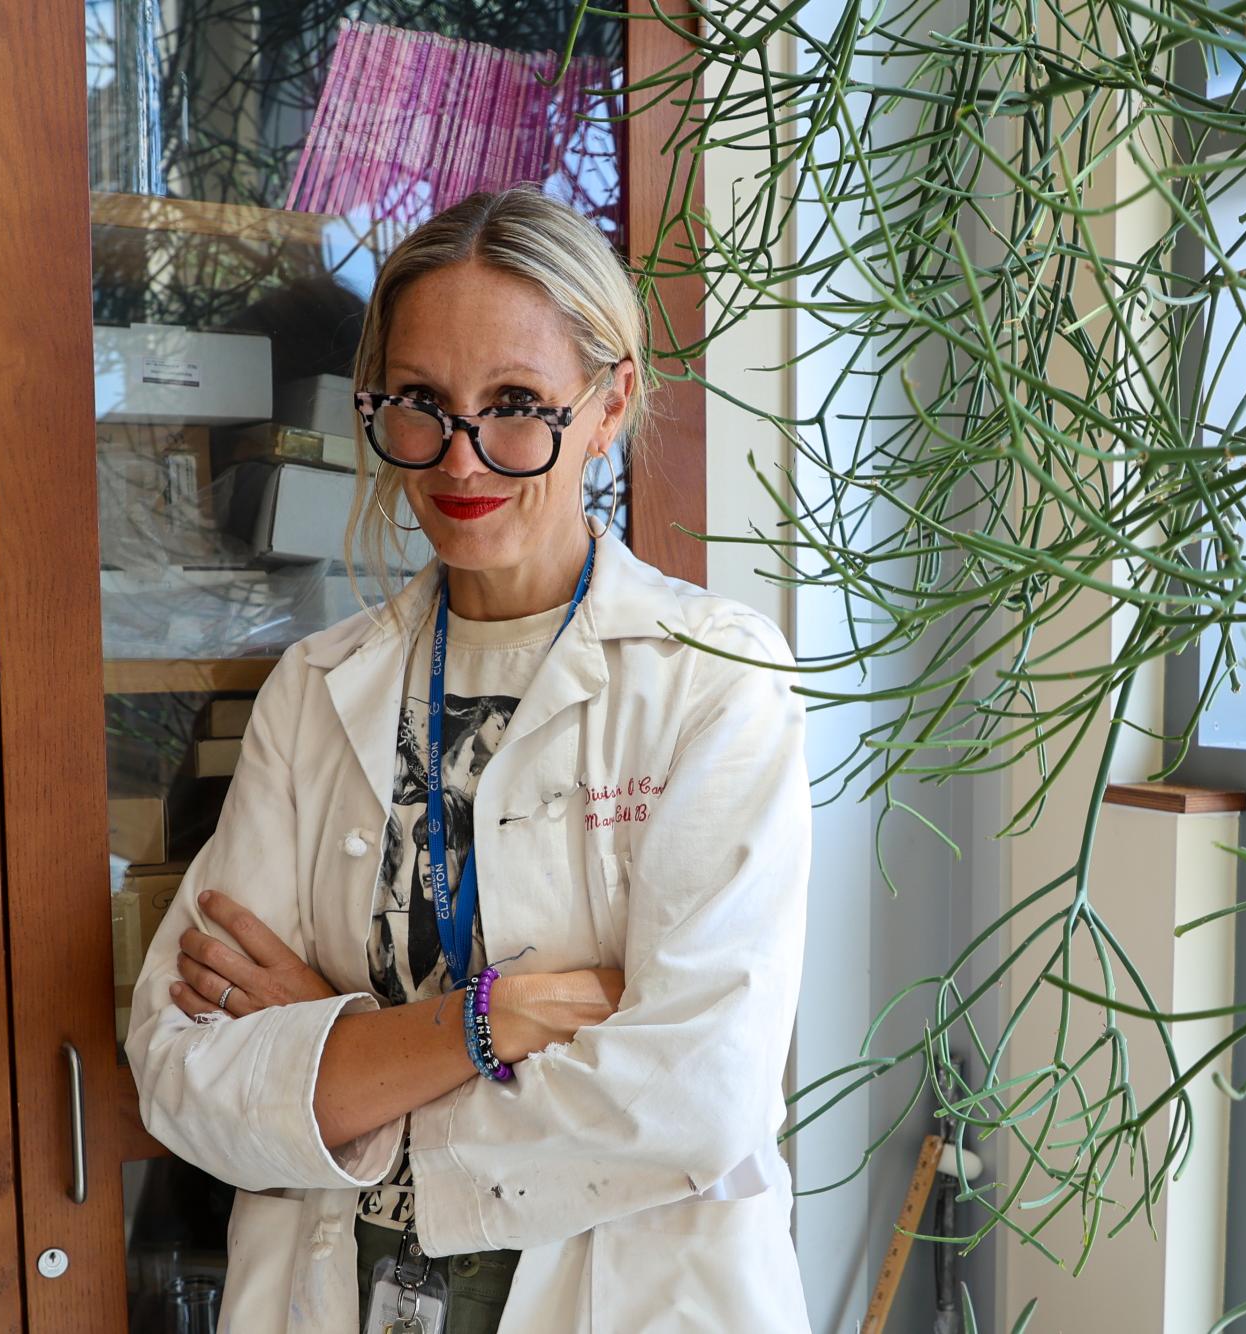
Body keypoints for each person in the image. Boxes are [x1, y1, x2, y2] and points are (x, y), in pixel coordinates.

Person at [123, 185, 814, 1334]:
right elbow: (182, 1070)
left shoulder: (713, 678)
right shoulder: (314, 690)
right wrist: (479, 1028)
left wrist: (342, 1054)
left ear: (608, 405)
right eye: (421, 403)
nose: (460, 456)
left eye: (515, 405)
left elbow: (694, 1096)